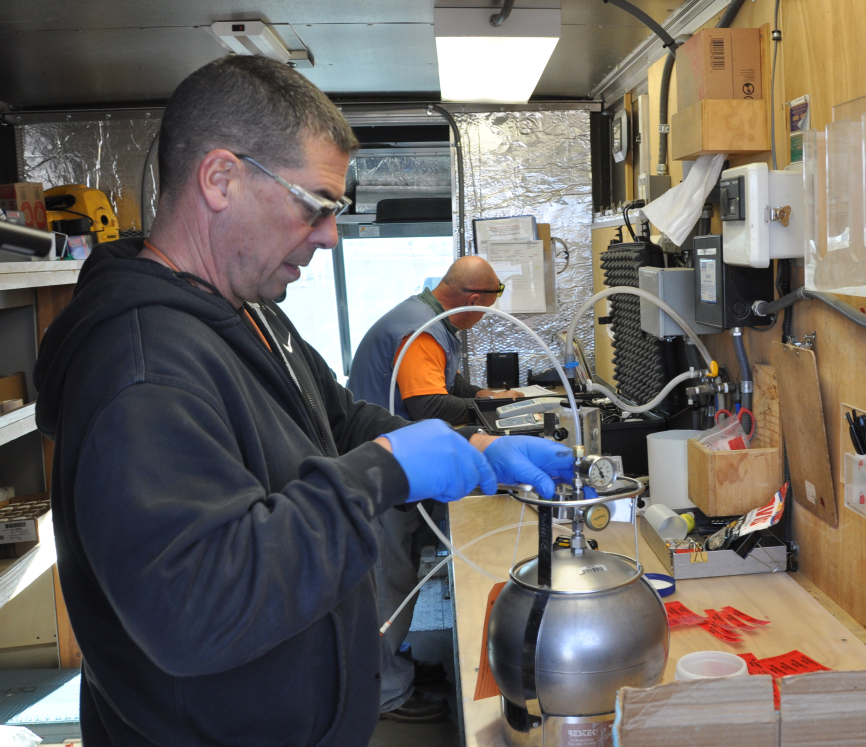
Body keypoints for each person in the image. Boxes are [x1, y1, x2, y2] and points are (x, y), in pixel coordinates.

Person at [33, 55, 573, 747]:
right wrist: (385, 468)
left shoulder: (247, 309)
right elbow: (196, 604)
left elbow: (338, 419)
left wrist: (479, 449)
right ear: (220, 178)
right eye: (315, 205)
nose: (329, 235)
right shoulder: (143, 369)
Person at [348, 256, 527, 722]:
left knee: (396, 575)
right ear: (472, 299)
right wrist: (482, 425)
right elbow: (426, 402)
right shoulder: (423, 331)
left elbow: (448, 384)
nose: (488, 315)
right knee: (389, 581)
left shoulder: (427, 320)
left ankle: (392, 666)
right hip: (383, 472)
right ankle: (387, 692)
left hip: (392, 464)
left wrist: (489, 398)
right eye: (489, 305)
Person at [349, 256, 524, 425]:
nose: (483, 315)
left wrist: (483, 395)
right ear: (473, 302)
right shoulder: (421, 333)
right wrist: (490, 405)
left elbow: (451, 382)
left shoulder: (429, 317)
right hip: (379, 444)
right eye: (484, 309)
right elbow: (430, 408)